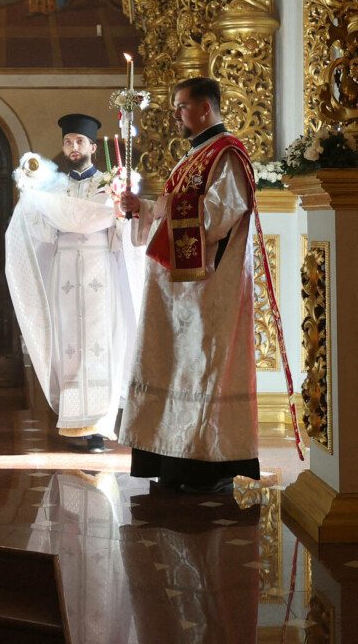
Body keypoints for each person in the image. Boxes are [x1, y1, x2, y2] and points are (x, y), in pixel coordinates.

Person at [118, 77, 261, 493]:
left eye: (182, 106)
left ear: (205, 108)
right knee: (174, 366)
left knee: (201, 369)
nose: (176, 113)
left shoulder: (228, 154)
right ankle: (169, 456)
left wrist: (164, 208)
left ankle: (201, 464)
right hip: (177, 290)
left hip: (207, 289)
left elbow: (220, 214)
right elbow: (172, 211)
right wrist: (142, 208)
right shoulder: (194, 156)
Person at [6, 113, 139, 454]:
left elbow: (122, 231)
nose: (73, 147)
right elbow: (43, 231)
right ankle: (72, 421)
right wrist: (31, 196)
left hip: (99, 270)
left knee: (100, 342)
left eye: (80, 141)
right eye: (68, 142)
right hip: (64, 271)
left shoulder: (111, 183)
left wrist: (124, 212)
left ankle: (99, 427)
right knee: (68, 343)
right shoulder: (55, 187)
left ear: (93, 146)